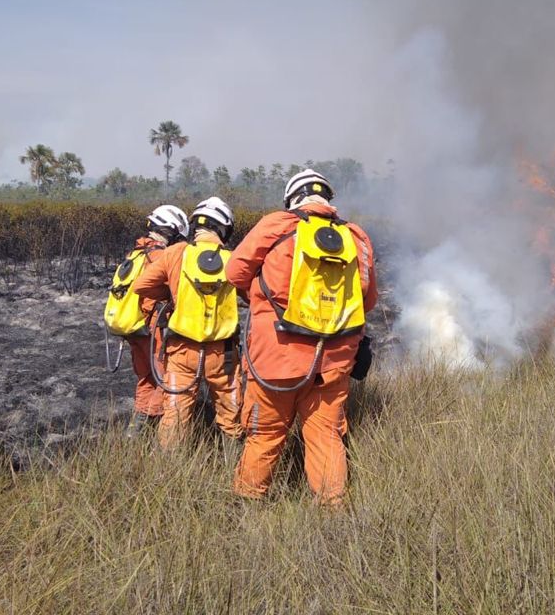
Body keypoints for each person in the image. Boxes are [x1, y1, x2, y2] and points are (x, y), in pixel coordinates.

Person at [227, 168, 377, 504]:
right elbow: (367, 300)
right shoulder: (358, 237)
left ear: (293, 198)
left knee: (265, 434)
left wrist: (258, 292)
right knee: (326, 436)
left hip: (275, 358)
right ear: (328, 199)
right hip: (333, 362)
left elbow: (235, 271)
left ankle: (247, 505)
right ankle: (333, 512)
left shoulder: (277, 224)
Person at [133, 197, 243, 448]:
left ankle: (168, 474)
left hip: (181, 352)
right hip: (222, 354)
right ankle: (231, 472)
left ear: (195, 227)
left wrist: (173, 295)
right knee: (230, 416)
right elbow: (251, 291)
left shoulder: (176, 252)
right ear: (224, 228)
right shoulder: (234, 258)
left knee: (175, 416)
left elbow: (142, 286)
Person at [121, 205, 189, 438]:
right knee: (165, 379)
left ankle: (135, 432)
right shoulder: (161, 255)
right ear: (170, 231)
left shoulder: (135, 254)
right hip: (154, 330)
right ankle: (158, 434)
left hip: (134, 328)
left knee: (146, 378)